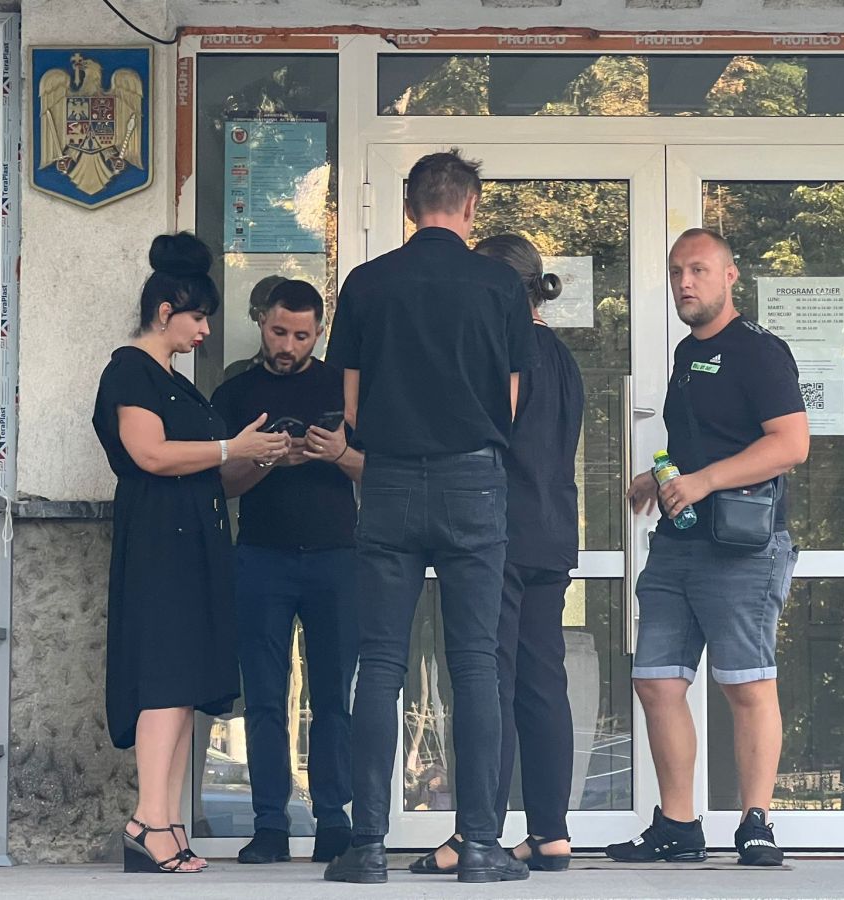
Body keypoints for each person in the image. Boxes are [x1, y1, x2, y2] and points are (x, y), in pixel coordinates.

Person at [322, 150, 537, 885]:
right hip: (473, 480)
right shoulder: (500, 286)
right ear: (470, 207)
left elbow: (350, 406)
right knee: (475, 663)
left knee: (381, 663)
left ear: (411, 206)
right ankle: (479, 844)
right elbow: (512, 400)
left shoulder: (366, 283)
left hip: (388, 480)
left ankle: (366, 847)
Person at [606, 227, 808, 867]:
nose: (684, 283)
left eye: (697, 269)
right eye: (676, 272)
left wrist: (703, 481)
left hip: (743, 545)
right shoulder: (686, 355)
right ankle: (678, 825)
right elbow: (705, 441)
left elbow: (790, 445)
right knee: (656, 681)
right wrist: (660, 475)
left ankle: (756, 822)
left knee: (747, 685)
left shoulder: (759, 352)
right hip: (679, 542)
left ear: (730, 276)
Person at [91, 232, 289, 874]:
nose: (206, 330)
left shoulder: (176, 381)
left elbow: (212, 473)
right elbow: (149, 454)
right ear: (164, 311)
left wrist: (257, 455)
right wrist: (231, 447)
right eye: (198, 317)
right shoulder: (130, 369)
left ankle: (166, 819)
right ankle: (148, 821)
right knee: (163, 678)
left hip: (196, 536)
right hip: (158, 539)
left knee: (183, 684)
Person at [409, 235, 584, 876]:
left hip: (499, 531)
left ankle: (473, 834)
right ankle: (551, 833)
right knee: (542, 683)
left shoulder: (503, 353)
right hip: (552, 530)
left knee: (489, 682)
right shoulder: (563, 357)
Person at [210, 278, 364, 866]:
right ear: (261, 322)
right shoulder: (235, 391)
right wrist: (267, 459)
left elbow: (381, 473)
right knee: (265, 699)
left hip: (336, 557)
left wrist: (337, 453)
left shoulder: (341, 386)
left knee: (333, 698)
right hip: (261, 557)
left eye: (302, 336)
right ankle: (269, 824)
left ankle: (334, 819)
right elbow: (221, 486)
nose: (288, 346)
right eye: (279, 332)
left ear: (319, 333)